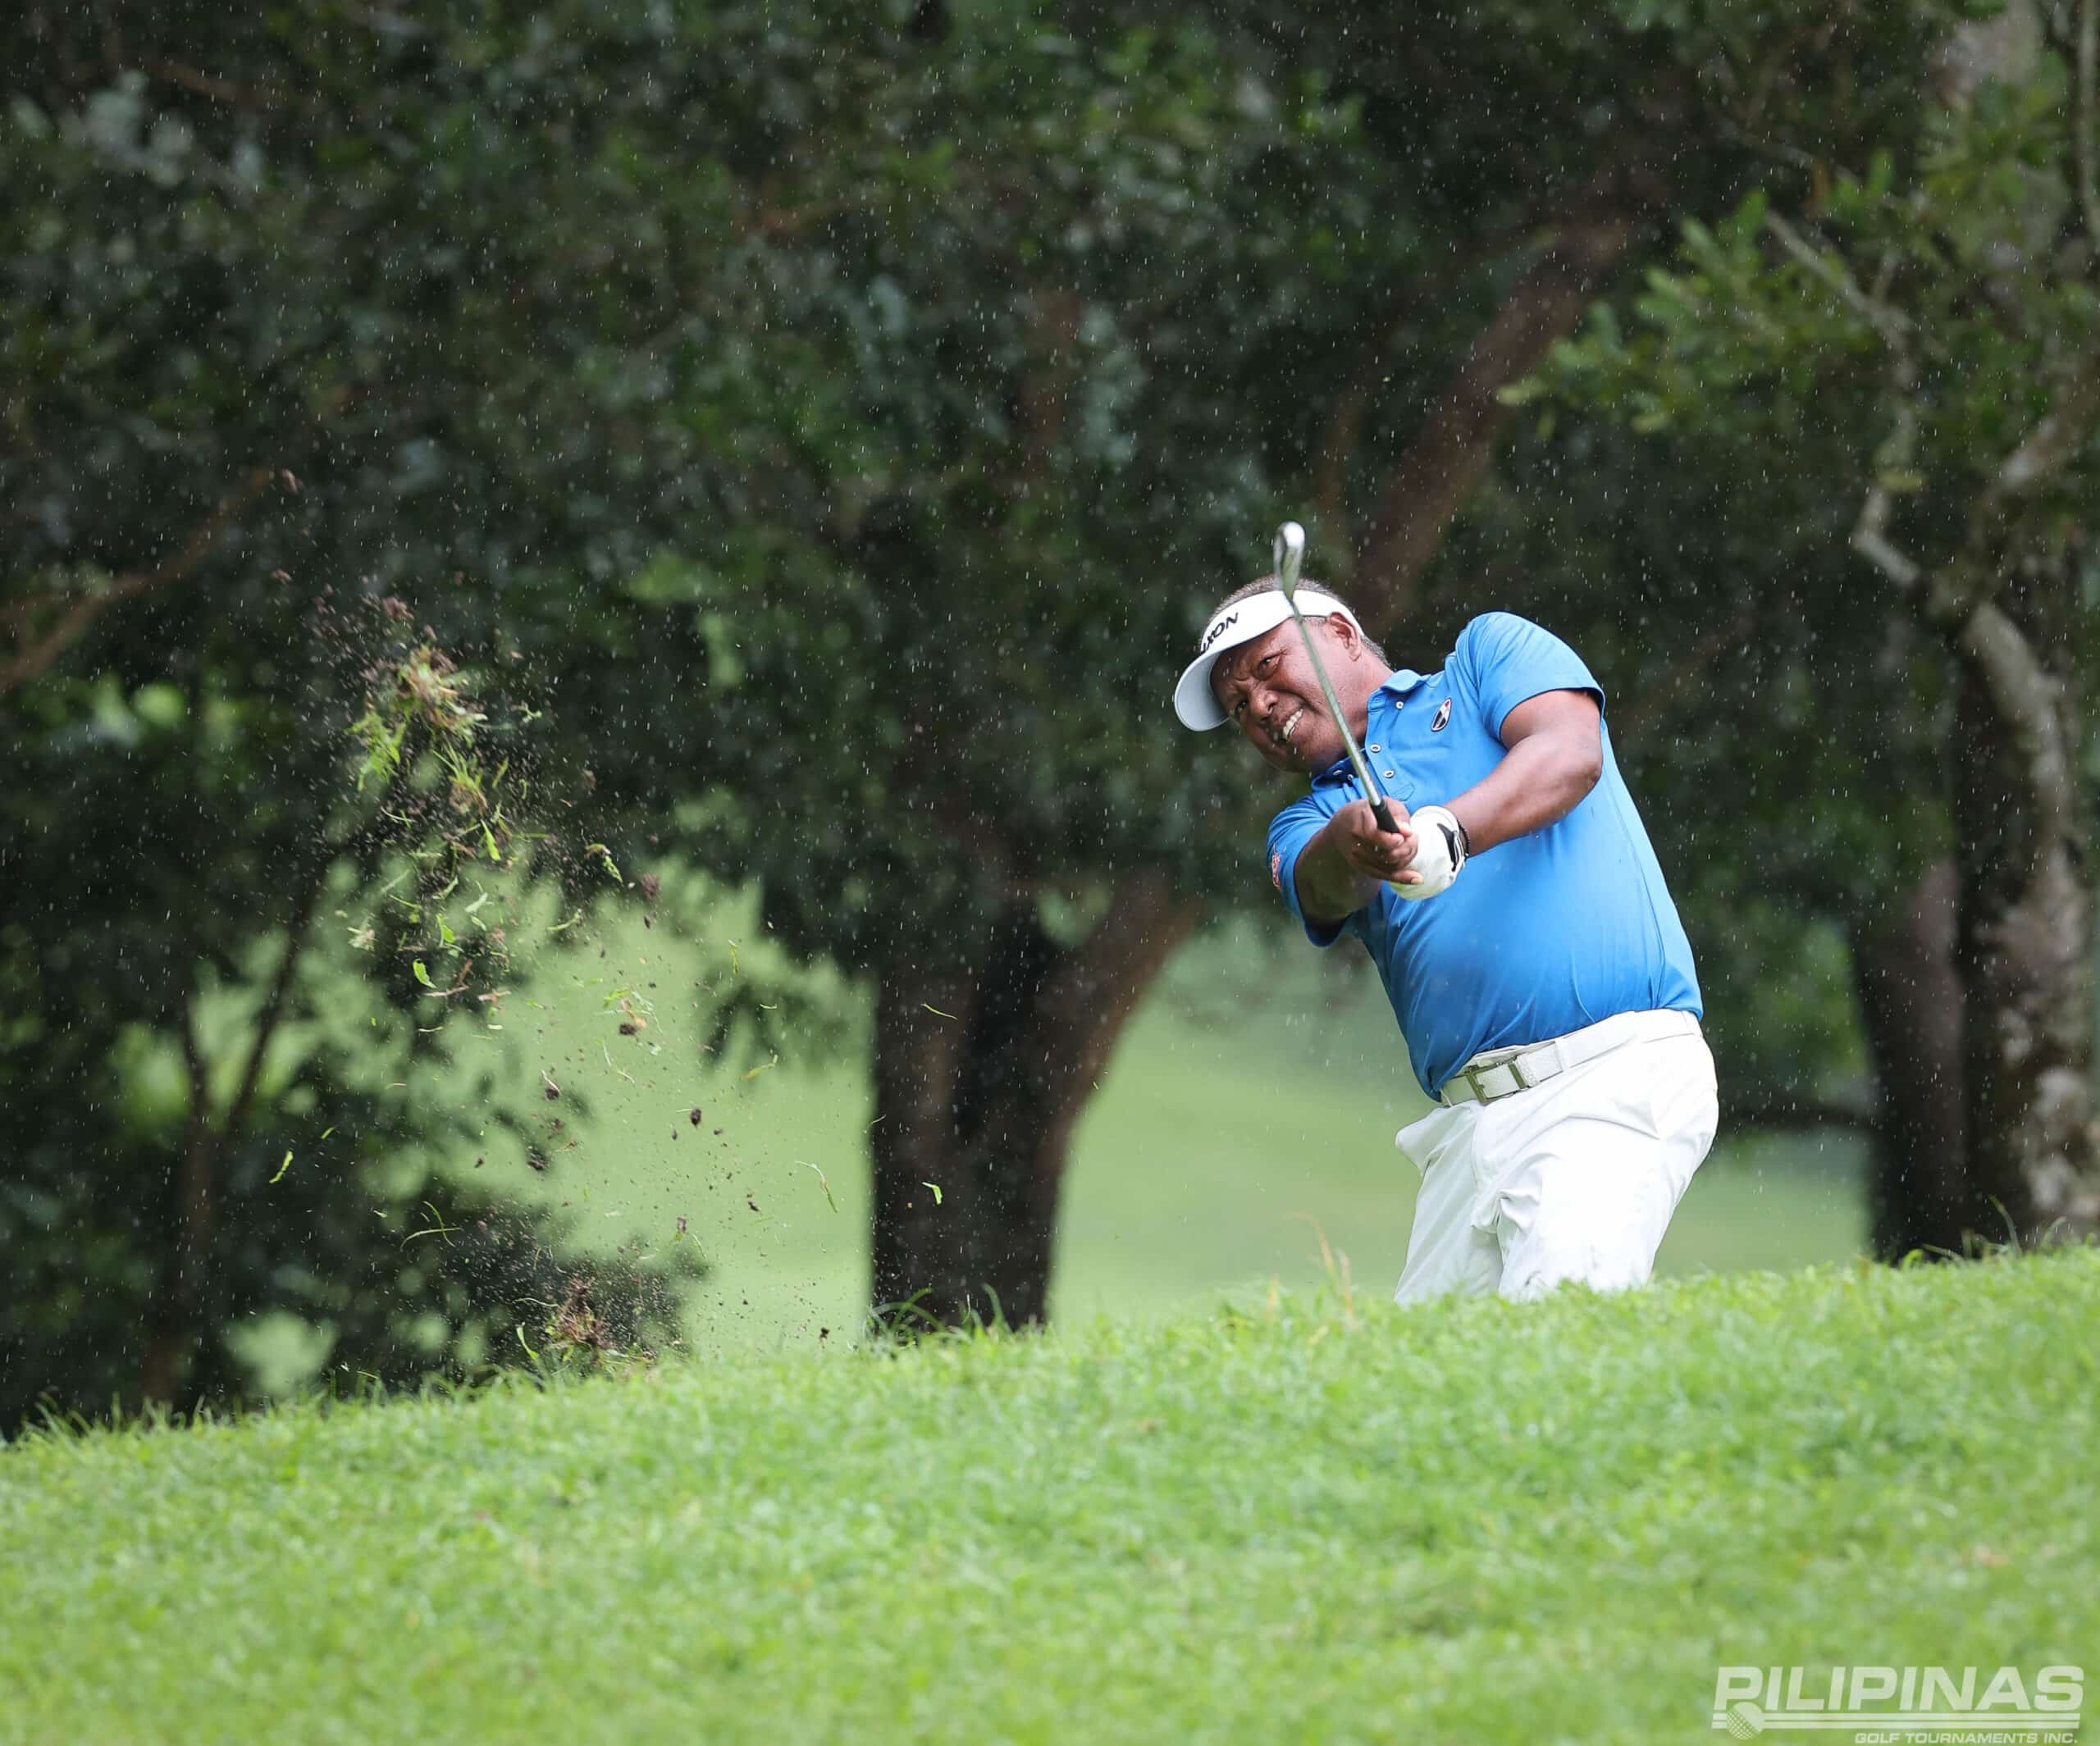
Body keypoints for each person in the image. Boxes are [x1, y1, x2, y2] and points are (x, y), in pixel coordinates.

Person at [1171, 576, 1716, 1304]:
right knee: (1427, 1395)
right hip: (1466, 1132)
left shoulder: (1488, 656)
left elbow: (1569, 751)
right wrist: (1362, 838)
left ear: (1338, 631)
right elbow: (1324, 879)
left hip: (1609, 1075)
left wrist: (1447, 832)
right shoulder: (1306, 821)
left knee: (1560, 1334)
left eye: (1267, 668)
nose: (1260, 707)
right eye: (1239, 707)